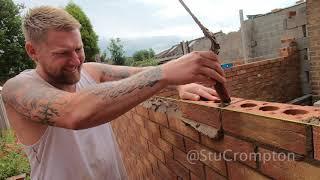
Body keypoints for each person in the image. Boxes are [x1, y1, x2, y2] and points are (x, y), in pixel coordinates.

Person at [1, 6, 226, 180]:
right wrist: (165, 73)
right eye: (62, 53)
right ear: (33, 51)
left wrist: (178, 84)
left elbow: (138, 74)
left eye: (78, 49)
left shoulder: (90, 71)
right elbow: (74, 112)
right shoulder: (19, 88)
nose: (75, 60)